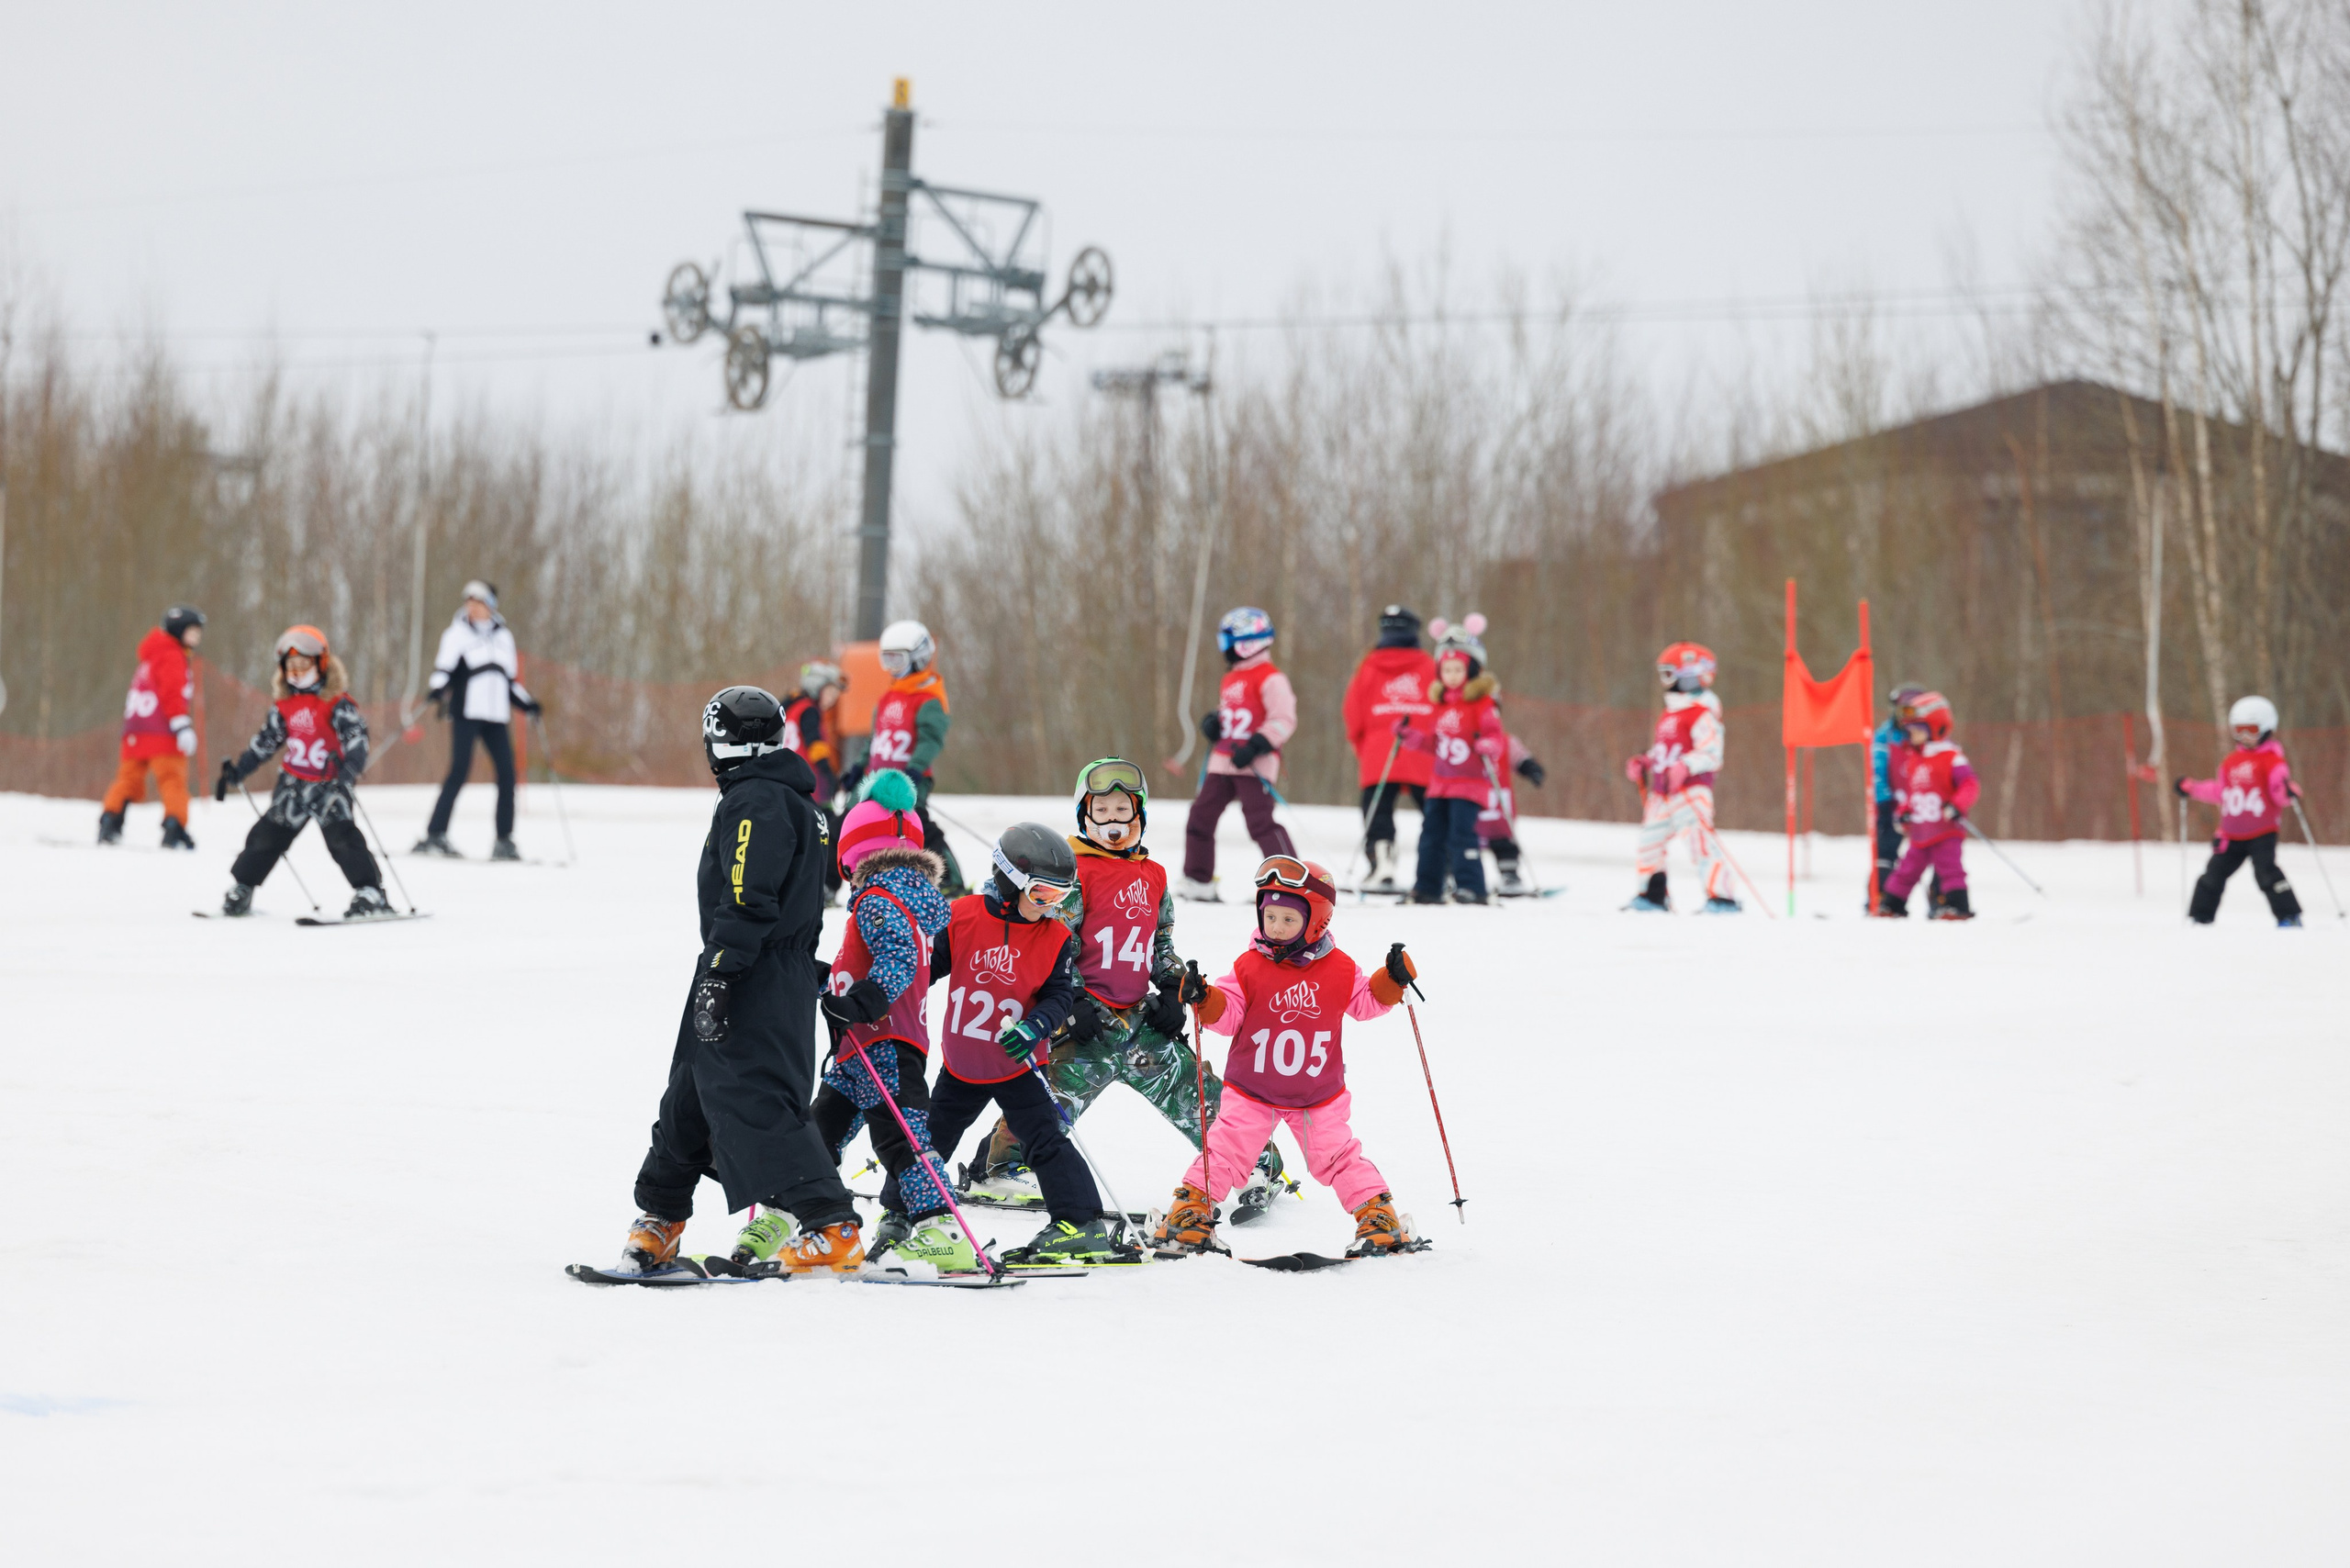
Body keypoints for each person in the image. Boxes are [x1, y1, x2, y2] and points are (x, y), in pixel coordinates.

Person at [961, 759, 1291, 1224]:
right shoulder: (1074, 873)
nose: (1114, 823)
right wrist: (1071, 1002)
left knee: (1194, 1090)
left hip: (1139, 1024)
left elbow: (1160, 945)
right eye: (1103, 811)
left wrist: (1175, 989)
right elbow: (1053, 944)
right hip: (1088, 1025)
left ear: (1140, 816)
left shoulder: (1153, 875)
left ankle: (1254, 1161)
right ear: (1084, 816)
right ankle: (1001, 1169)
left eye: (1124, 810)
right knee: (1043, 1103)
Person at [610, 686, 863, 1278]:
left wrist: (723, 972)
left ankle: (833, 1225)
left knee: (761, 1101)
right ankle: (660, 1216)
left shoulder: (759, 801)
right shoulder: (792, 799)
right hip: (759, 964)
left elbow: (751, 896)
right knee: (690, 1096)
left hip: (751, 970)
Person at [1151, 857, 1424, 1260]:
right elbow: (1228, 1015)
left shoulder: (1339, 967)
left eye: (1288, 919)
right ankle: (1190, 1215)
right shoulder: (1249, 966)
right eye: (1270, 916)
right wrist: (1205, 998)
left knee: (1337, 1156)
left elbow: (1367, 1003)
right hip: (1253, 1089)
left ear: (1317, 921)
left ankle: (1377, 1220)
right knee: (1225, 1150)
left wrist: (1393, 978)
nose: (1276, 927)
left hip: (1316, 1093)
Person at [915, 823, 1136, 1265]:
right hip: (963, 1063)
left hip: (1018, 1064)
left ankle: (1081, 1224)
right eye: (1041, 895)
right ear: (1007, 882)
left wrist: (1035, 1027)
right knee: (930, 1140)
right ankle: (904, 1215)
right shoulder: (963, 916)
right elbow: (926, 968)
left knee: (1045, 1140)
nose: (1051, 907)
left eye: (1060, 897)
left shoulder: (1055, 939)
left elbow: (1059, 997)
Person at [802, 770, 966, 1271]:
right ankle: (805, 1222)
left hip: (883, 1044)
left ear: (854, 855)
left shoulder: (877, 897)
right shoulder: (912, 902)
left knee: (900, 1139)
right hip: (866, 1047)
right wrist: (826, 981)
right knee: (816, 1132)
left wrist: (862, 1002)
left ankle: (944, 1231)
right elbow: (899, 963)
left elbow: (893, 960)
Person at [211, 625, 392, 920]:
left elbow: (357, 738)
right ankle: (242, 888)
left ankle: (370, 892)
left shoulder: (337, 702)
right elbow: (266, 741)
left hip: (330, 785)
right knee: (266, 836)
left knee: (343, 839)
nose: (295, 673)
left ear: (321, 664)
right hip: (293, 786)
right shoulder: (284, 705)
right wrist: (240, 770)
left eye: (303, 665)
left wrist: (350, 769)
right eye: (290, 667)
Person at [414, 581, 539, 860]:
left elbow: (509, 681)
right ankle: (435, 834)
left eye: (479, 601)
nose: (472, 606)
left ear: (491, 605)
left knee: (507, 776)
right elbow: (444, 670)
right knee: (459, 771)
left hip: (496, 716)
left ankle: (504, 840)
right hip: (467, 713)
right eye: (469, 601)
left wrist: (528, 704)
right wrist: (436, 688)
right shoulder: (456, 633)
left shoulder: (504, 637)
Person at [1181, 607, 1299, 901]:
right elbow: (1232, 713)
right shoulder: (1232, 677)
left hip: (1253, 763)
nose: (1226, 650)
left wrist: (1258, 744)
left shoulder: (1271, 678)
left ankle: (1289, 881)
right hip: (1222, 761)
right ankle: (1198, 881)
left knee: (1260, 822)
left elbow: (1283, 719)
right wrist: (1215, 723)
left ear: (1250, 642)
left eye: (1229, 642)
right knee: (1200, 817)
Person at [843, 619, 967, 896]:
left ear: (919, 657)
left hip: (908, 779)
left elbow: (932, 738)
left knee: (918, 825)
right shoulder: (889, 696)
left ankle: (951, 881)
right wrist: (858, 767)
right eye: (887, 660)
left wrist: (916, 768)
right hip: (876, 778)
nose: (892, 668)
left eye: (897, 660)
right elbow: (875, 739)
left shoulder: (928, 696)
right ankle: (850, 880)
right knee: (853, 821)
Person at [1394, 616, 1506, 904]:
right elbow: (1435, 742)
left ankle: (1472, 887)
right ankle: (1427, 886)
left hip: (1469, 783)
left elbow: (1496, 737)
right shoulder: (1441, 705)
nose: (1452, 675)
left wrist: (1488, 744)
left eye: (1458, 669)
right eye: (1446, 669)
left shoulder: (1482, 704)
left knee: (1461, 834)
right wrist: (1411, 737)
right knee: (1431, 834)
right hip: (1440, 783)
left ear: (1471, 669)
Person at [1625, 641, 1737, 913]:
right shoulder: (1669, 712)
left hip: (1691, 791)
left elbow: (1711, 753)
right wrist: (1646, 761)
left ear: (1690, 675)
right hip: (1662, 793)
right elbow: (1666, 750)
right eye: (1664, 675)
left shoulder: (1702, 713)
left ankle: (1722, 898)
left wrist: (1685, 767)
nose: (1667, 682)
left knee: (1699, 841)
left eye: (1670, 674)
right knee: (1649, 842)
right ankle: (1652, 895)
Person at [2176, 695, 2305, 928]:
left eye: (2251, 730)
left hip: (2262, 832)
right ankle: (2200, 918)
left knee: (2265, 873)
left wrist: (2288, 792)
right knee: (2213, 875)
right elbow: (2220, 791)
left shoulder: (2272, 761)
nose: (2245, 737)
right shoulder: (2230, 762)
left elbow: (2278, 790)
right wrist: (2192, 788)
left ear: (2266, 729)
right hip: (2231, 835)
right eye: (2239, 731)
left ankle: (2289, 916)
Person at [1341, 604, 1437, 892]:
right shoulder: (1430, 666)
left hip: (1379, 748)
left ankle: (1382, 864)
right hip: (1422, 749)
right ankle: (1443, 865)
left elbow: (1352, 712)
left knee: (1376, 808)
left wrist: (1362, 745)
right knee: (1434, 810)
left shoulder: (1368, 666)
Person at [100, 604, 206, 850]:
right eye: (193, 631)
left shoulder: (149, 657)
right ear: (179, 631)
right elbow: (172, 693)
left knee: (127, 779)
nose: (198, 636)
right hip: (162, 731)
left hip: (135, 731)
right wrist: (181, 725)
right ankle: (174, 828)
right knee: (172, 780)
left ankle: (110, 821)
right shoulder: (172, 655)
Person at [1878, 690, 1979, 920]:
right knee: (1907, 869)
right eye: (1909, 730)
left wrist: (1957, 805)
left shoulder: (1950, 756)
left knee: (1949, 868)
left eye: (1916, 730)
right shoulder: (1915, 760)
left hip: (1945, 828)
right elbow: (1914, 794)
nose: (1911, 735)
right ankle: (1892, 904)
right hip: (1921, 830)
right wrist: (1903, 813)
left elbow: (1970, 784)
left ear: (1934, 728)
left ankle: (1958, 906)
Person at [1871, 682, 1942, 913]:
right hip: (1892, 803)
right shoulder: (1886, 735)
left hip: (1925, 805)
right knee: (1886, 852)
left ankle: (1942, 898)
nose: (1907, 720)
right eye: (1903, 711)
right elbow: (1877, 769)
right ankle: (1881, 898)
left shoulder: (1926, 735)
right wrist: (1884, 801)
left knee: (1938, 853)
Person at [784, 660, 848, 895]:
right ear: (817, 687)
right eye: (830, 691)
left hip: (791, 781)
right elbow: (815, 745)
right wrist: (830, 776)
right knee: (830, 833)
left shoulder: (791, 705)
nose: (833, 698)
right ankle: (825, 886)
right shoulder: (810, 709)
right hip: (811, 785)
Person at [1477, 728, 1547, 897]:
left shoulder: (1506, 741)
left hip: (1497, 802)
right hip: (1467, 797)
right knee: (1459, 839)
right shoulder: (1460, 735)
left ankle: (1510, 876)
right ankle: (1451, 874)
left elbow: (1520, 758)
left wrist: (1532, 770)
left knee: (1503, 840)